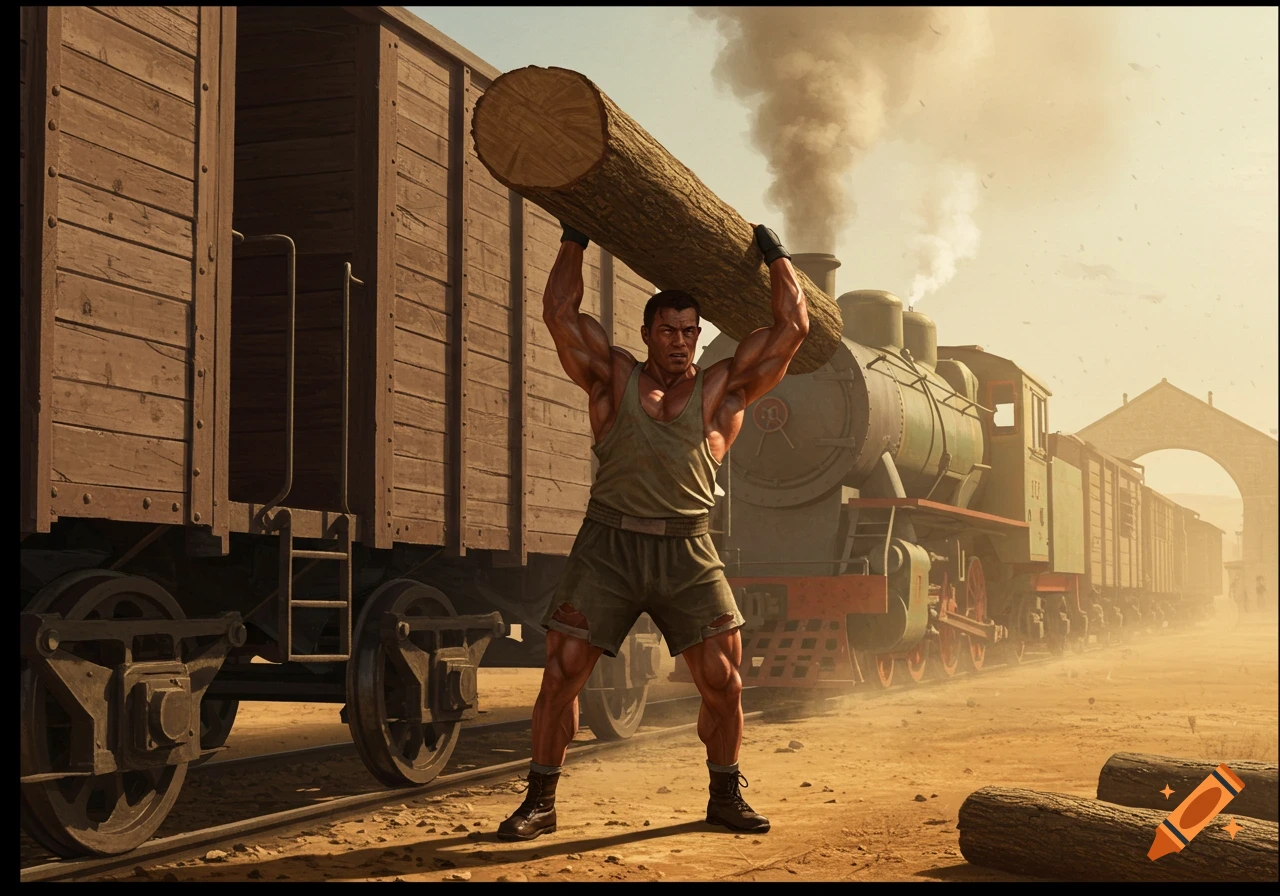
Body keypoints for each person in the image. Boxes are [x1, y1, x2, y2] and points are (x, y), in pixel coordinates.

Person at [497, 221, 809, 841]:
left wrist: (777, 258)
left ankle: (724, 796)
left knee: (724, 680)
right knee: (560, 674)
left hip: (688, 547)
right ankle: (540, 802)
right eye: (667, 331)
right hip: (608, 544)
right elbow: (559, 311)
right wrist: (575, 238)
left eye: (690, 332)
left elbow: (792, 328)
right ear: (646, 334)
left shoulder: (722, 389)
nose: (680, 342)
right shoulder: (611, 377)